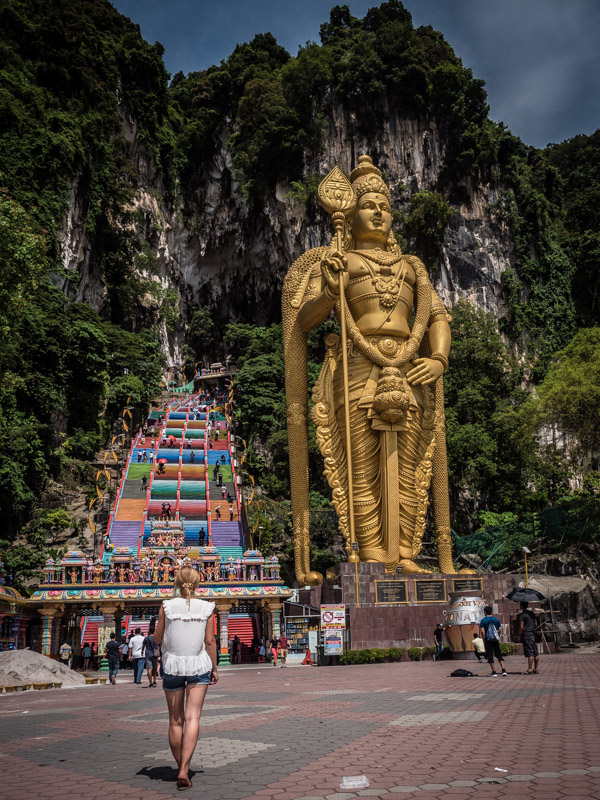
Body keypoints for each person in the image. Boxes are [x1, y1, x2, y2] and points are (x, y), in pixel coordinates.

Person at [283, 154, 458, 579]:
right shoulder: (340, 262)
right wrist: (328, 290)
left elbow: (436, 316)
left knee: (410, 464)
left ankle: (405, 552)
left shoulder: (411, 266)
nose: (379, 212)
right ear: (351, 212)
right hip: (357, 367)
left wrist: (438, 358)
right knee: (361, 465)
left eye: (385, 206)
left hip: (409, 367)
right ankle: (374, 554)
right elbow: (303, 321)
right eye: (369, 205)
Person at [153, 566, 218, 791]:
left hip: (172, 665)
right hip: (199, 665)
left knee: (175, 720)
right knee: (193, 718)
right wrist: (215, 668)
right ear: (198, 582)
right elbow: (210, 642)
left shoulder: (166, 606)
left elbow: (158, 638)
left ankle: (180, 766)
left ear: (177, 583)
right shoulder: (207, 608)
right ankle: (184, 769)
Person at [480, 605, 507, 677]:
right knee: (498, 654)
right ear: (491, 611)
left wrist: (484, 638)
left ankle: (494, 671)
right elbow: (500, 629)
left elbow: (482, 631)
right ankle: (503, 670)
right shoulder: (496, 619)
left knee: (490, 655)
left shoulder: (483, 620)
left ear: (485, 612)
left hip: (488, 639)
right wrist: (498, 635)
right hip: (495, 639)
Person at [519, 601, 540, 674]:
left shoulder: (522, 615)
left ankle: (530, 669)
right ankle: (536, 668)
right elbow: (536, 624)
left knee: (529, 651)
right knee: (535, 651)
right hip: (532, 634)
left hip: (526, 634)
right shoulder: (532, 614)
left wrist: (519, 635)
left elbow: (521, 627)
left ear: (521, 605)